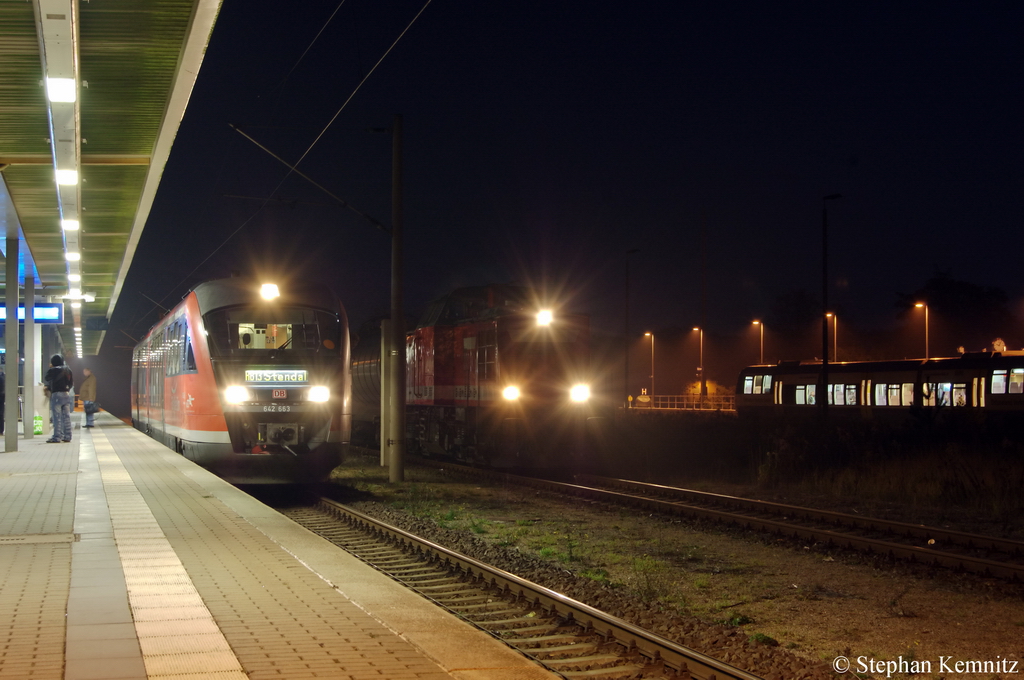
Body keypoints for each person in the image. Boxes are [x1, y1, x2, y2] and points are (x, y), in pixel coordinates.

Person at [44, 354, 74, 443]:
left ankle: (57, 437)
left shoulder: (54, 370)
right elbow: (71, 383)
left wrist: (51, 368)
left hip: (57, 394)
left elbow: (47, 378)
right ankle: (68, 436)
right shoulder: (68, 370)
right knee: (66, 416)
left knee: (57, 417)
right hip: (66, 394)